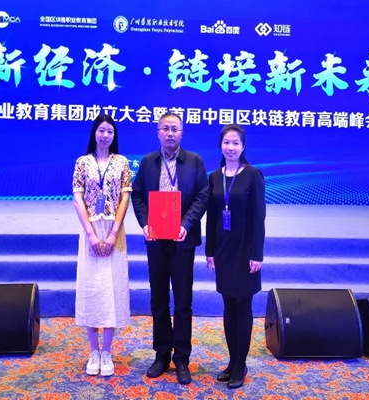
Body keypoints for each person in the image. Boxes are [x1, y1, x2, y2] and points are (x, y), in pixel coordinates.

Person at [131, 112, 209, 385]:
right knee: (159, 299)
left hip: (182, 240)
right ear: (158, 132)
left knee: (183, 301)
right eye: (165, 128)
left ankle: (182, 359)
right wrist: (145, 223)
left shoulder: (195, 161)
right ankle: (162, 355)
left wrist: (186, 224)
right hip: (156, 240)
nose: (170, 133)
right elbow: (137, 195)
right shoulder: (148, 162)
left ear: (182, 133)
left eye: (175, 129)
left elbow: (202, 196)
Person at [205, 124, 266, 389]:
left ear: (243, 147)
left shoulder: (253, 175)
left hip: (245, 250)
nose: (230, 147)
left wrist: (257, 254)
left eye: (235, 143)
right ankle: (232, 362)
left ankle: (241, 364)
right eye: (226, 143)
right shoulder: (214, 177)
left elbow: (259, 217)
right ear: (221, 146)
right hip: (223, 250)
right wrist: (210, 251)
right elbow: (212, 218)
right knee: (228, 306)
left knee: (243, 305)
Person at [72, 114, 132, 377]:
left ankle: (107, 351)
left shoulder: (122, 162)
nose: (105, 135)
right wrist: (91, 234)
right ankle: (93, 351)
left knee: (112, 290)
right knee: (92, 289)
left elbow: (125, 198)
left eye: (110, 131)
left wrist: (113, 233)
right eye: (101, 130)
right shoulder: (82, 162)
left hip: (114, 231)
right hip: (91, 231)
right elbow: (77, 199)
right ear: (94, 133)